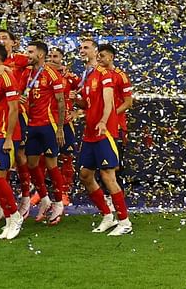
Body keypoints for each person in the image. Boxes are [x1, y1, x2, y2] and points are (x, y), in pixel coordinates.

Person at [76, 43, 132, 236]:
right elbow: (87, 103)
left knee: (109, 175)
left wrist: (103, 121)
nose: (98, 58)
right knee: (85, 175)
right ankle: (108, 216)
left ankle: (124, 221)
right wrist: (74, 101)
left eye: (100, 55)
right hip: (90, 133)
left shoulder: (107, 76)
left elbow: (109, 101)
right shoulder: (90, 77)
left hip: (104, 132)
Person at [0, 43, 26, 240]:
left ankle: (15, 216)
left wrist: (9, 137)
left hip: (5, 133)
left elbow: (13, 109)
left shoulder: (7, 77)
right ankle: (10, 218)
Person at [23, 40, 66, 224]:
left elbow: (61, 101)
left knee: (51, 165)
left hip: (48, 125)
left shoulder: (51, 74)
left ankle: (58, 202)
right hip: (32, 125)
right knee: (31, 164)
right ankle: (45, 197)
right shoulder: (27, 73)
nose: (27, 55)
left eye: (30, 52)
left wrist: (60, 128)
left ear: (40, 54)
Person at [51, 45, 80, 209]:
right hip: (47, 121)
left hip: (65, 122)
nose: (52, 59)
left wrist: (77, 112)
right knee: (45, 158)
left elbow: (86, 96)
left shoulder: (71, 77)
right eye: (50, 56)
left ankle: (64, 191)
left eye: (56, 56)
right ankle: (43, 192)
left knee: (66, 157)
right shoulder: (42, 74)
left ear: (62, 59)